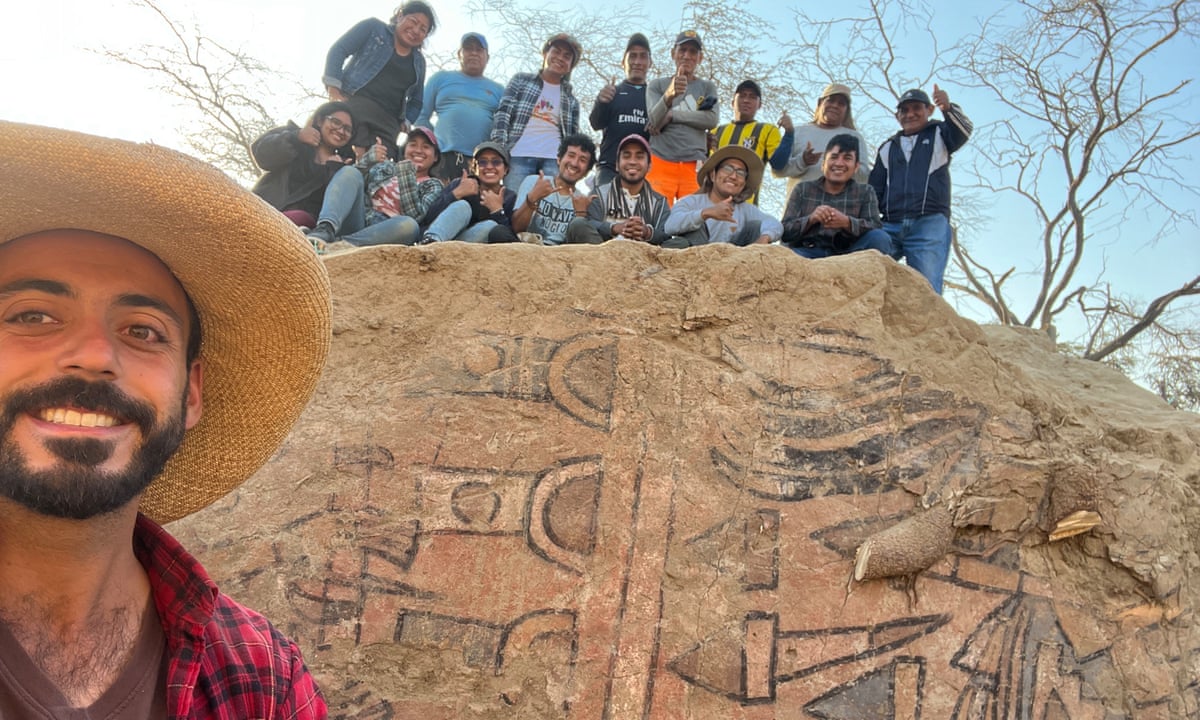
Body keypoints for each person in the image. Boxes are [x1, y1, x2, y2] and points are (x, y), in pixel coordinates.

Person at [0, 120, 330, 717]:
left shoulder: (262, 677)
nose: (96, 357)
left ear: (191, 394)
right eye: (32, 316)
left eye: (144, 332)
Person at [868, 85, 973, 294]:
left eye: (917, 108)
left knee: (927, 287)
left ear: (929, 110)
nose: (910, 114)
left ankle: (933, 326)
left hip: (928, 222)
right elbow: (874, 190)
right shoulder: (888, 147)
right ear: (897, 115)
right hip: (890, 224)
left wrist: (948, 108)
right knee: (867, 264)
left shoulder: (940, 134)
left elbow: (964, 131)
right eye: (904, 110)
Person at [323, 0, 436, 159]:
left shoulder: (419, 62)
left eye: (423, 29)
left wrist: (406, 122)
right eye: (413, 21)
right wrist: (334, 90)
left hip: (388, 125)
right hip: (354, 108)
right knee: (344, 160)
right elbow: (339, 50)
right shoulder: (374, 28)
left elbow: (416, 101)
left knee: (381, 171)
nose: (416, 30)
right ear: (400, 15)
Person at [490, 33, 583, 194]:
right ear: (546, 53)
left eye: (567, 56)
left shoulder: (571, 100)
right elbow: (503, 114)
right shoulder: (521, 80)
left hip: (554, 161)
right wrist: (500, 151)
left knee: (548, 209)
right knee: (512, 205)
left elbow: (573, 138)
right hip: (518, 155)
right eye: (556, 51)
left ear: (570, 65)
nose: (560, 58)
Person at [781, 134, 892, 259]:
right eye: (833, 157)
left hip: (850, 255)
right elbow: (784, 231)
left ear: (856, 167)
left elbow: (875, 227)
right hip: (807, 253)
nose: (839, 163)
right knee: (781, 258)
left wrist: (847, 223)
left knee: (880, 238)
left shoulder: (866, 192)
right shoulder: (802, 189)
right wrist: (811, 219)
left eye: (847, 158)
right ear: (823, 164)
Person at [251, 101, 357, 229]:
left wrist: (334, 171)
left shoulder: (346, 168)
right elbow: (261, 154)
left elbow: (333, 209)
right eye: (336, 122)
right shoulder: (294, 138)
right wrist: (295, 137)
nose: (341, 131)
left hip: (306, 228)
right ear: (319, 120)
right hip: (263, 211)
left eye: (347, 129)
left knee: (300, 217)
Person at [414, 32, 504, 180]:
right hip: (442, 157)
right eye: (468, 49)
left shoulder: (499, 90)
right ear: (459, 54)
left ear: (487, 57)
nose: (474, 53)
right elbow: (420, 115)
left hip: (479, 163)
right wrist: (431, 144)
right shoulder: (440, 79)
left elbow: (504, 127)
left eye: (479, 49)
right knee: (438, 200)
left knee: (472, 203)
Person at [645, 30, 718, 205]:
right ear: (673, 54)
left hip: (694, 165)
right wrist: (669, 95)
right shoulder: (657, 85)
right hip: (659, 160)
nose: (687, 56)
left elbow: (711, 119)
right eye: (682, 50)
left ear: (700, 58)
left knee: (693, 223)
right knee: (655, 221)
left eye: (693, 52)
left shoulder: (707, 87)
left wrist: (672, 114)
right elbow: (653, 121)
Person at [663, 145, 782, 246]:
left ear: (743, 184)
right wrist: (705, 213)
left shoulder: (745, 210)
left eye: (740, 173)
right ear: (713, 175)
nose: (733, 176)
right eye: (727, 169)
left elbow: (775, 224)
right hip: (694, 263)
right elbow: (670, 226)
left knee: (757, 226)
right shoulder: (691, 202)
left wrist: (765, 237)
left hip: (732, 266)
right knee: (680, 242)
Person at [567, 134, 670, 245]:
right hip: (604, 257)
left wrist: (646, 232)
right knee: (578, 224)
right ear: (617, 165)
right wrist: (614, 228)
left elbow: (666, 234)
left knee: (679, 243)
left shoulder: (659, 201)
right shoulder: (600, 193)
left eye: (639, 157)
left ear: (649, 166)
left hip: (643, 258)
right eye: (626, 156)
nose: (632, 162)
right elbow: (588, 224)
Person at [774, 83, 870, 199]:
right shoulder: (797, 132)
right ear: (820, 103)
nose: (835, 106)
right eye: (831, 100)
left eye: (841, 103)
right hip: (799, 210)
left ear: (846, 110)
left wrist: (842, 164)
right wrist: (803, 161)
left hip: (840, 210)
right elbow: (778, 171)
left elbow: (864, 177)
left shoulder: (854, 137)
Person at [708, 79, 794, 204]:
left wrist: (789, 134)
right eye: (742, 96)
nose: (746, 100)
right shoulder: (716, 132)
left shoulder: (768, 130)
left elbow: (778, 164)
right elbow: (703, 168)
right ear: (732, 102)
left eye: (753, 97)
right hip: (712, 204)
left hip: (745, 206)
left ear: (759, 105)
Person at [589, 33, 652, 187]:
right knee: (602, 209)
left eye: (643, 57)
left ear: (650, 63)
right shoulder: (612, 92)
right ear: (623, 62)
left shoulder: (656, 96)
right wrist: (601, 102)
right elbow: (596, 123)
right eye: (632, 56)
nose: (637, 62)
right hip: (609, 168)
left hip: (643, 172)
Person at [420, 141, 516, 244]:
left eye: (496, 162)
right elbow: (429, 218)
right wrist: (456, 194)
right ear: (474, 168)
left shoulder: (509, 197)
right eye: (482, 162)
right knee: (462, 206)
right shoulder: (460, 184)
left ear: (506, 169)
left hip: (466, 247)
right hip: (440, 238)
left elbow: (507, 238)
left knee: (490, 225)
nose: (489, 167)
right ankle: (430, 243)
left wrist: (498, 211)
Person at [509, 133, 595, 245]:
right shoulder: (533, 182)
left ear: (587, 172)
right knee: (499, 232)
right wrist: (532, 199)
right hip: (527, 249)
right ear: (559, 159)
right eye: (571, 155)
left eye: (582, 160)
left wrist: (580, 214)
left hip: (561, 256)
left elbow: (579, 246)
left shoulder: (582, 201)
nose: (574, 163)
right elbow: (516, 228)